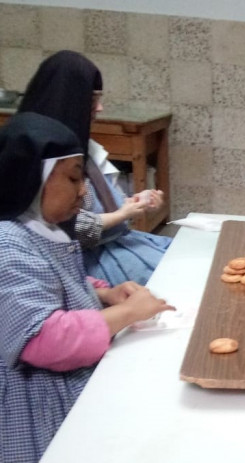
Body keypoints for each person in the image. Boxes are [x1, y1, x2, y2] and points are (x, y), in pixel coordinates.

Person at [0, 112, 174, 462]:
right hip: (39, 398)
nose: (84, 192)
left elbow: (60, 278)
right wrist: (125, 314)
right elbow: (43, 338)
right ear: (35, 178)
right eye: (74, 179)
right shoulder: (7, 247)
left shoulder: (45, 228)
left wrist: (103, 293)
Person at [18, 50, 171, 287]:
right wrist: (123, 214)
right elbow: (66, 225)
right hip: (85, 259)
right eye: (92, 99)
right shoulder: (41, 155)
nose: (99, 108)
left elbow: (108, 202)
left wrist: (136, 203)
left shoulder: (84, 146)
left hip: (115, 244)